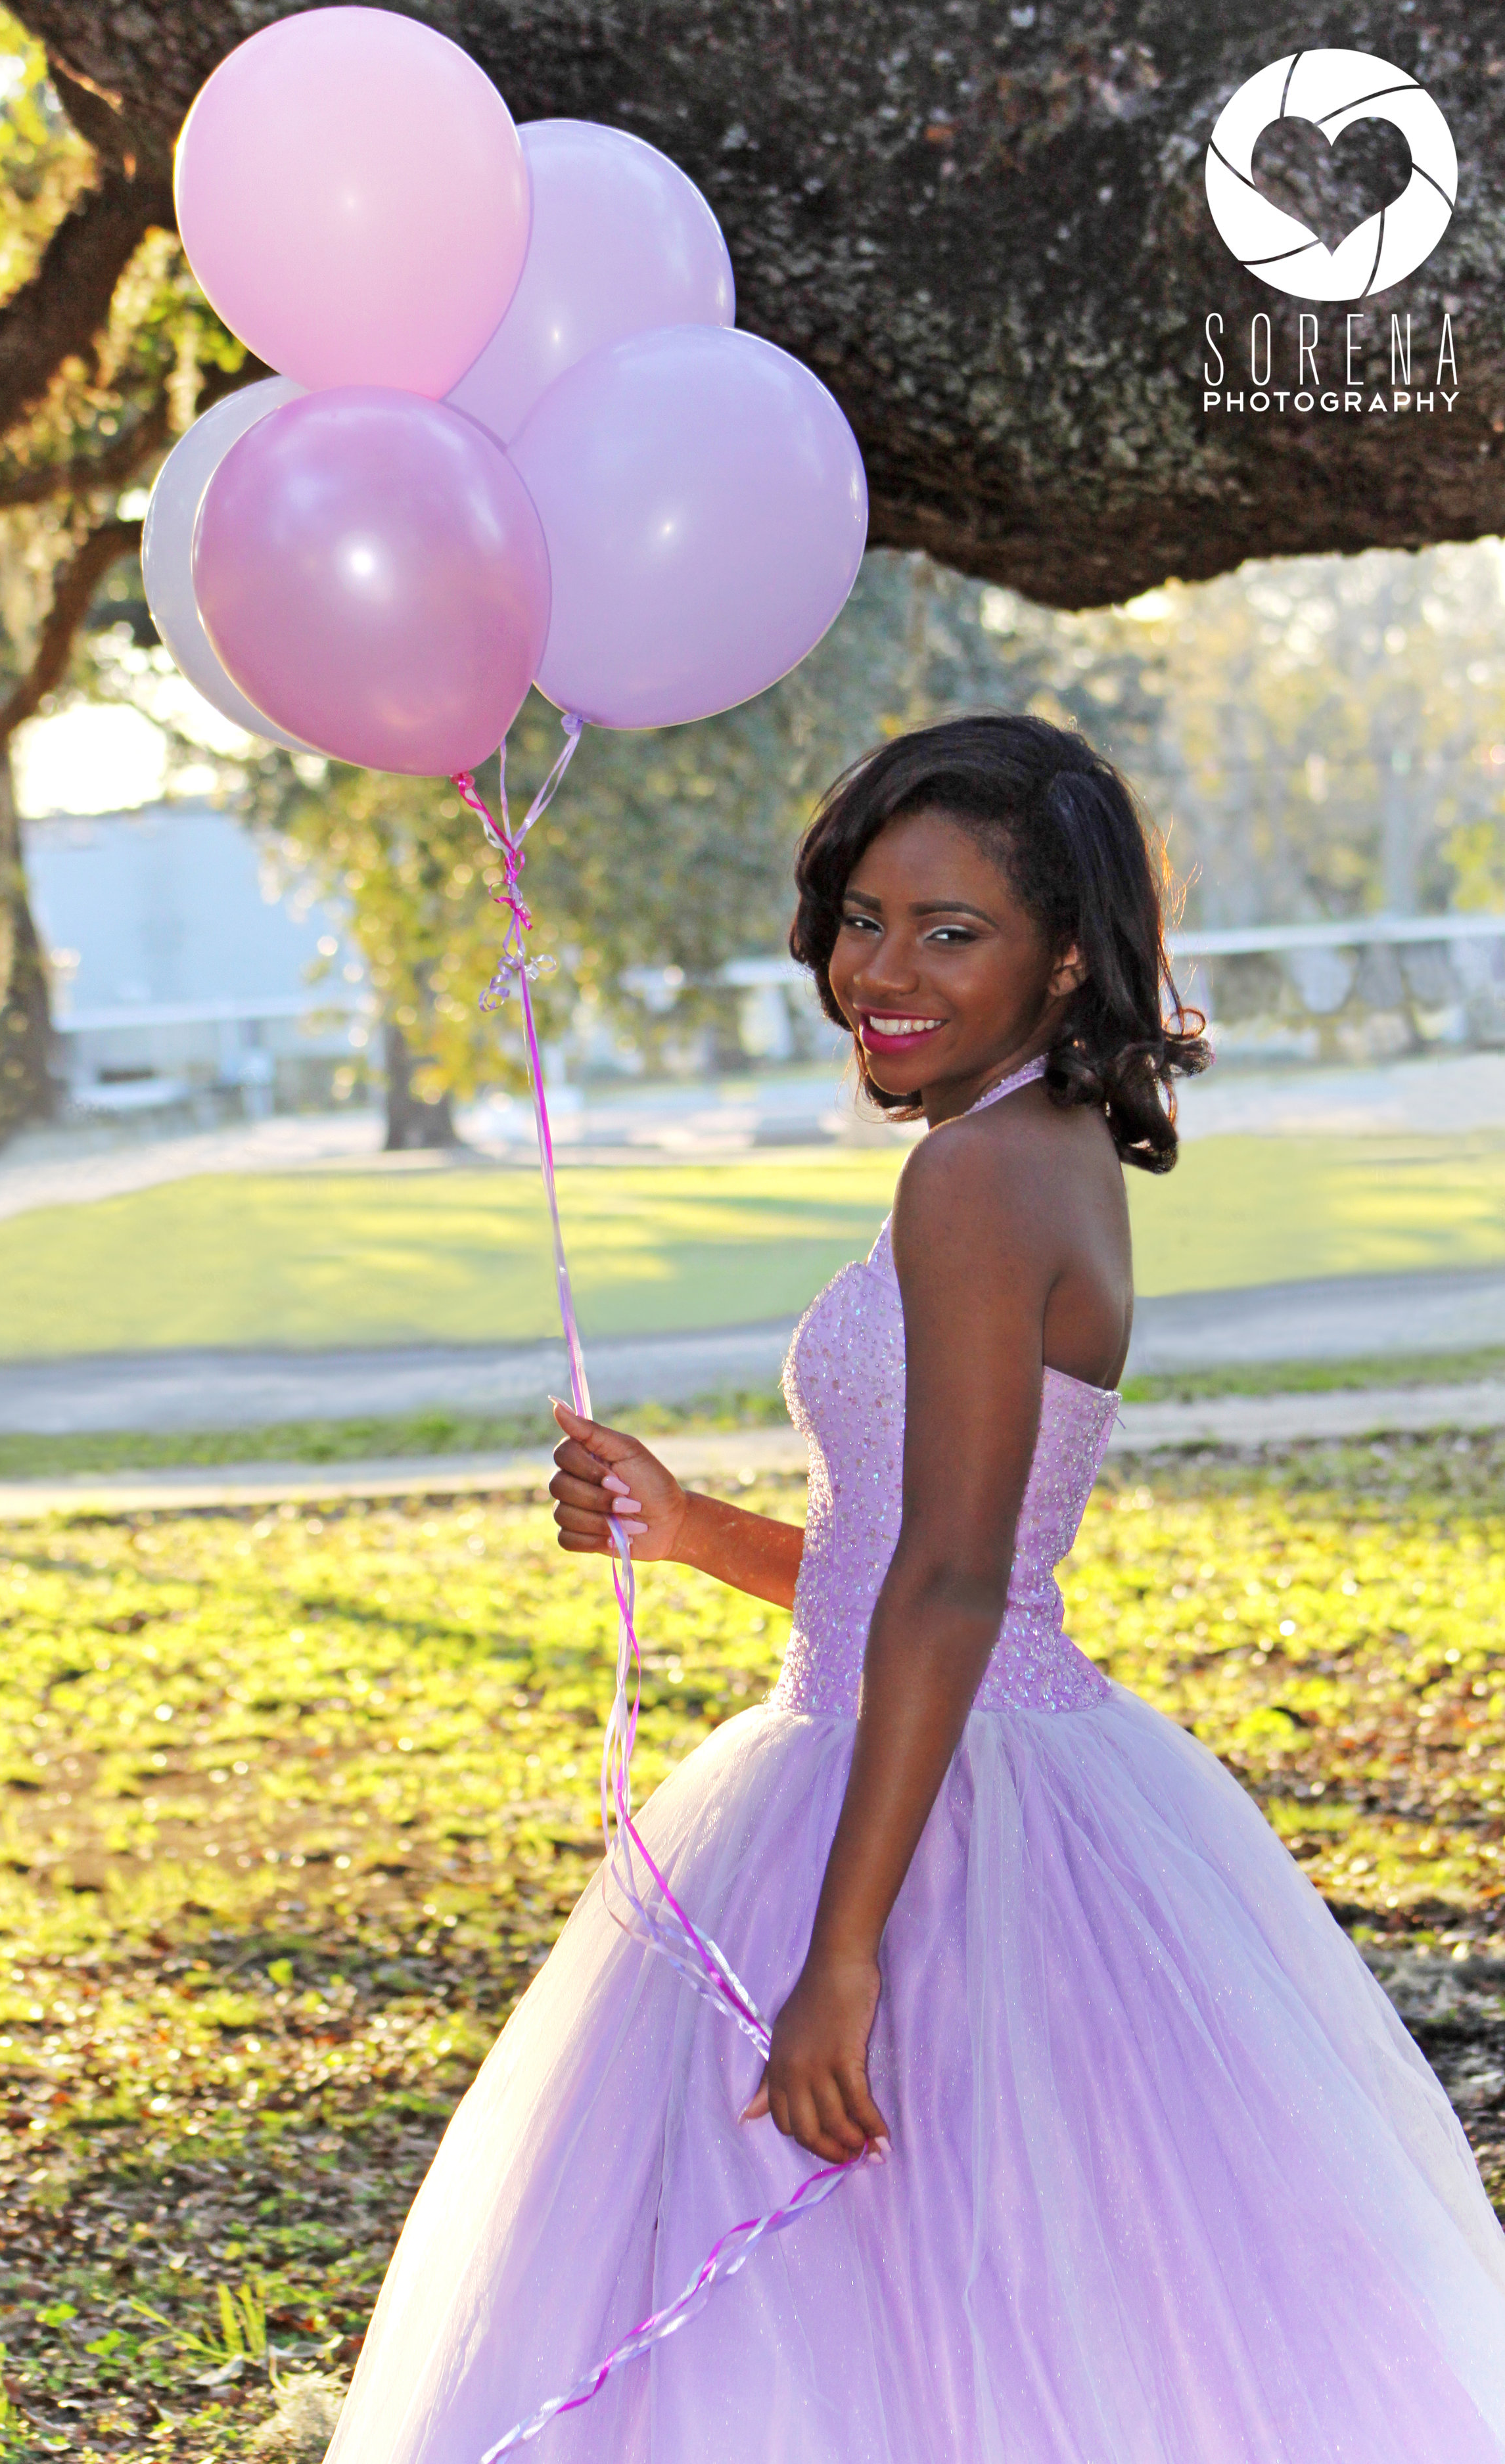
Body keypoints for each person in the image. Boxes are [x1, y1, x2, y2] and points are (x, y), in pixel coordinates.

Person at [325, 716, 1505, 2464]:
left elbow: (953, 1591)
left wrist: (844, 1954)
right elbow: (920, 1569)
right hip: (970, 1755)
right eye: (865, 920)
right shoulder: (1041, 1145)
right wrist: (691, 1526)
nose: (880, 972)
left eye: (950, 931)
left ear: (1066, 955)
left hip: (921, 1813)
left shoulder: (976, 1174)